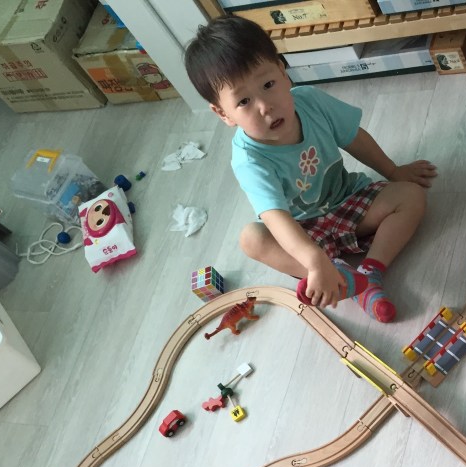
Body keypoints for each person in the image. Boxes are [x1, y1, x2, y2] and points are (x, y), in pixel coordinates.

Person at [184, 17, 437, 322]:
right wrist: (314, 259)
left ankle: (368, 273)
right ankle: (335, 273)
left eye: (268, 85)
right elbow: (276, 219)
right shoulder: (249, 159)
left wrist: (393, 171)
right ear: (223, 113)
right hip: (301, 230)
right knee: (252, 238)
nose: (265, 106)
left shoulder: (311, 102)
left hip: (348, 200)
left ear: (283, 72)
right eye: (244, 101)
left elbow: (354, 138)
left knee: (411, 195)